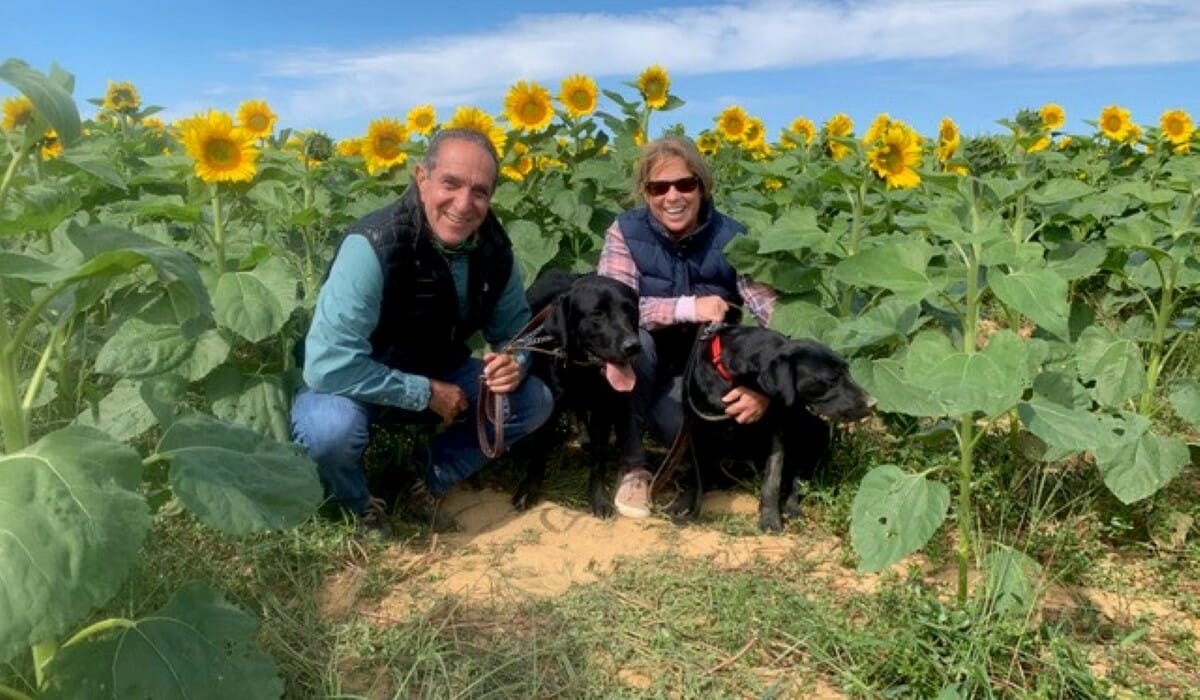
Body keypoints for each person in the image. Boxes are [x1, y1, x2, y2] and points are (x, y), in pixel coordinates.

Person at [291, 128, 554, 533]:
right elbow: (327, 365)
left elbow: (518, 330)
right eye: (451, 183)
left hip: (438, 366)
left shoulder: (495, 251)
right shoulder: (375, 244)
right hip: (355, 377)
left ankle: (420, 478)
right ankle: (356, 503)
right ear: (421, 177)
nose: (464, 204)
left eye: (480, 192)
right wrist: (423, 392)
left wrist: (516, 360)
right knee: (330, 432)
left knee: (532, 400)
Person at [598, 135, 779, 519]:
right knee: (635, 342)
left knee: (696, 428)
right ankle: (633, 467)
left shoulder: (732, 237)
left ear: (702, 185)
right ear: (645, 194)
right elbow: (614, 314)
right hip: (646, 361)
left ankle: (701, 454)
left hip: (706, 371)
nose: (673, 196)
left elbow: (773, 315)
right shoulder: (625, 232)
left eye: (685, 184)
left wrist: (763, 385)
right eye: (659, 188)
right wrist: (685, 307)